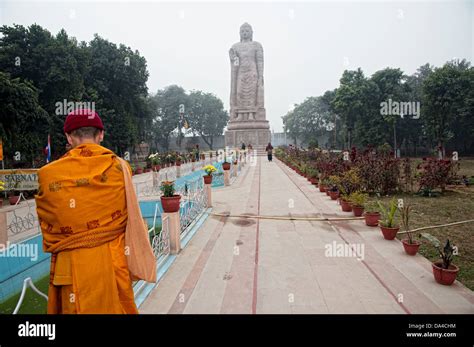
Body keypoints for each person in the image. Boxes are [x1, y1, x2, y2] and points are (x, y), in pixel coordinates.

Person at [35, 109, 138, 314]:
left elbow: (48, 226)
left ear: (68, 137)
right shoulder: (119, 167)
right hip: (112, 264)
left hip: (71, 269)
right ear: (101, 134)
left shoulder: (48, 175)